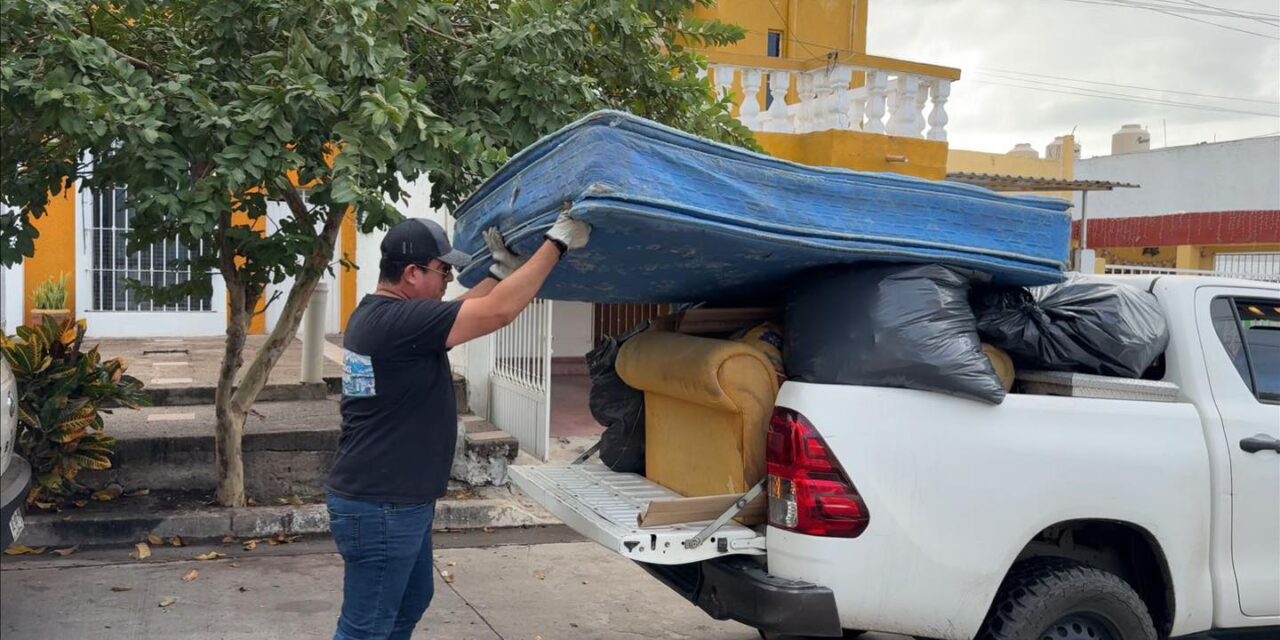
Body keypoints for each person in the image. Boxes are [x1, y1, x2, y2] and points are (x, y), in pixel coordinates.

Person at [325, 211, 589, 639]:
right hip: (381, 505)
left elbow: (460, 311)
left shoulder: (387, 317)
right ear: (411, 273)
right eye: (443, 270)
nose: (449, 278)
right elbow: (498, 312)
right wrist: (555, 244)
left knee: (410, 603)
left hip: (394, 500)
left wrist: (502, 270)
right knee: (366, 628)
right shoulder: (395, 324)